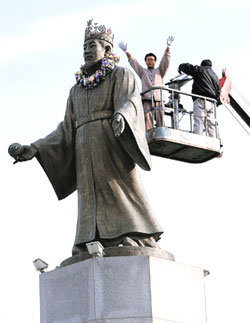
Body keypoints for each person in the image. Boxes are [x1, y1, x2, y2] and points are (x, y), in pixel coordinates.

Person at [10, 20, 163, 255]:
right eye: (85, 47)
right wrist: (36, 148)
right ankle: (89, 239)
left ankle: (134, 233)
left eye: (93, 45)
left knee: (120, 187)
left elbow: (130, 100)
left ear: (108, 50)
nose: (87, 50)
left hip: (110, 142)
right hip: (83, 149)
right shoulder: (76, 90)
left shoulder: (120, 74)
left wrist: (121, 115)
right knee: (89, 195)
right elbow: (65, 129)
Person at [118, 36, 174, 131]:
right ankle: (148, 133)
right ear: (146, 62)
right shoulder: (142, 72)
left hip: (159, 99)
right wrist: (127, 52)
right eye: (148, 60)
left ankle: (162, 132)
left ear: (155, 61)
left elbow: (165, 62)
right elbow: (134, 63)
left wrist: (168, 47)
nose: (150, 61)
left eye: (152, 59)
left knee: (160, 117)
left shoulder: (160, 71)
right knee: (147, 117)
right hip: (147, 99)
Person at [178, 59, 220, 137]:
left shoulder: (201, 70)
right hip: (211, 102)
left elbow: (189, 67)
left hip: (201, 100)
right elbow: (218, 92)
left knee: (199, 121)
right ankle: (215, 140)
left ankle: (198, 138)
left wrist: (180, 67)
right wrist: (216, 103)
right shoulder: (215, 76)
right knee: (211, 124)